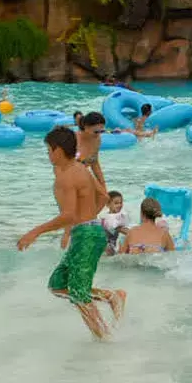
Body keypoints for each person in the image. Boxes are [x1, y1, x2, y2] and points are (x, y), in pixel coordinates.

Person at [17, 128, 125, 340]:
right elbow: (104, 196)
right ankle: (111, 296)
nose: (48, 154)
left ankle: (105, 340)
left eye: (49, 150)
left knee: (78, 294)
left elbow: (68, 215)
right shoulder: (80, 168)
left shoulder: (66, 178)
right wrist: (88, 220)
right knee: (57, 285)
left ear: (58, 150)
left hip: (86, 236)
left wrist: (35, 232)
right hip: (87, 232)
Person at [76, 112, 107, 188]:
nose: (99, 134)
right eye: (96, 132)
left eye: (101, 131)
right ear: (86, 127)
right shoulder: (74, 140)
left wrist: (103, 185)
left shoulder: (97, 140)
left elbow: (95, 163)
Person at [99, 191, 128, 256]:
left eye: (121, 202)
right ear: (108, 204)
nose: (119, 205)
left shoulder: (105, 216)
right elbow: (126, 231)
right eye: (116, 203)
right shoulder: (112, 219)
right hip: (108, 249)